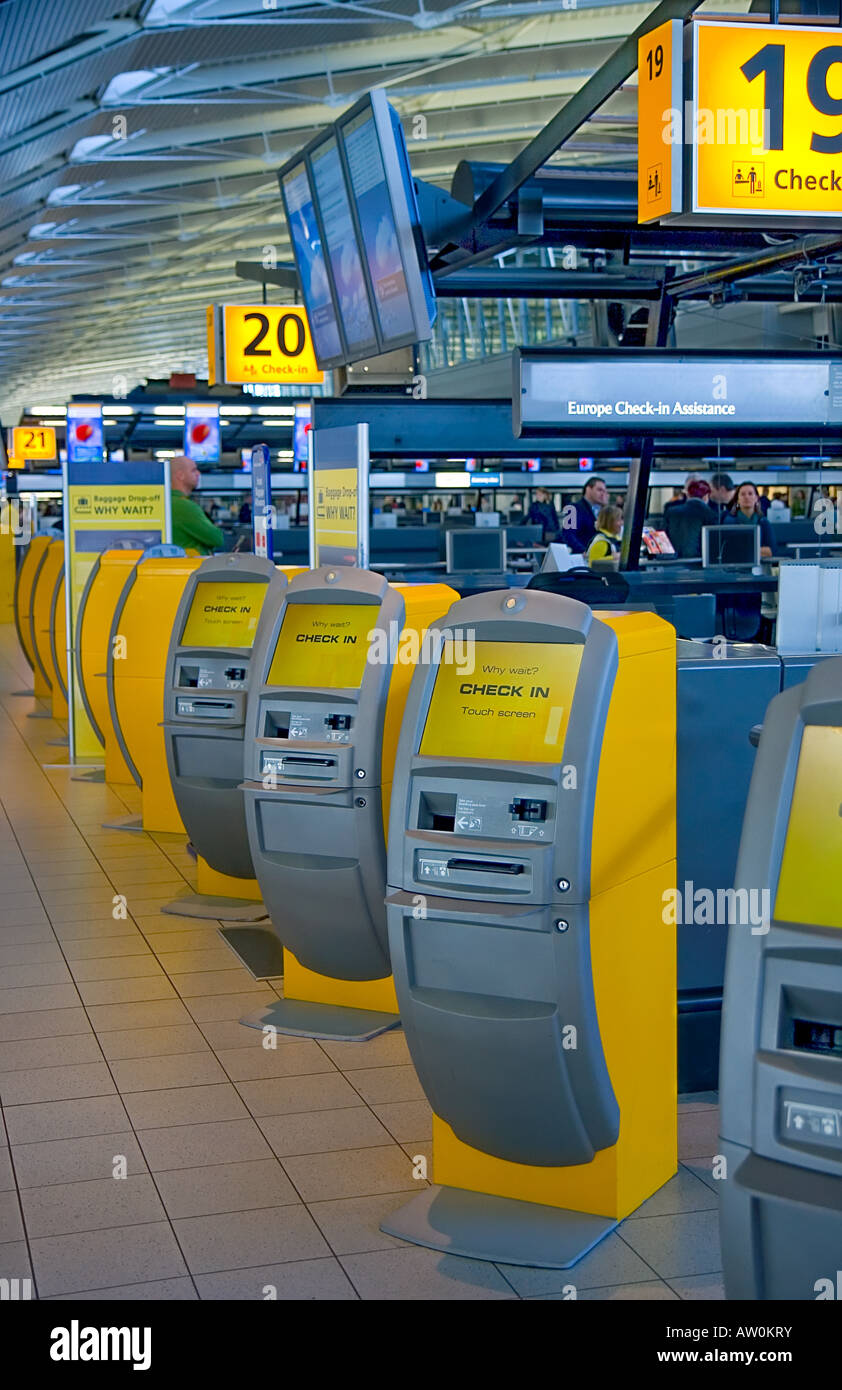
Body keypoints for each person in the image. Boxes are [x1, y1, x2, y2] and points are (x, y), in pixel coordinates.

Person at [169, 454, 224, 555]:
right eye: (194, 470)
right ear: (180, 475)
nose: (198, 474)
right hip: (190, 568)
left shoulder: (166, 501)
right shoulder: (184, 506)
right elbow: (217, 539)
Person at [664, 479, 713, 559]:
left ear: (688, 495)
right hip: (697, 562)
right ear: (706, 497)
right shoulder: (710, 514)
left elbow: (663, 538)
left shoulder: (671, 511)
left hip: (673, 561)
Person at [726, 480, 775, 558]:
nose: (746, 497)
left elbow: (771, 551)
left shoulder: (763, 522)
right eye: (743, 494)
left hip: (760, 567)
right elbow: (728, 551)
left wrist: (743, 550)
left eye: (750, 494)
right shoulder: (729, 522)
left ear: (756, 498)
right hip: (735, 568)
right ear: (737, 499)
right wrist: (758, 550)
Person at [566, 476, 608, 550]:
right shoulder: (573, 509)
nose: (603, 494)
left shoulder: (601, 511)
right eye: (599, 490)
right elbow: (568, 535)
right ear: (588, 489)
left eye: (604, 491)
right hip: (582, 556)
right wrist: (585, 551)